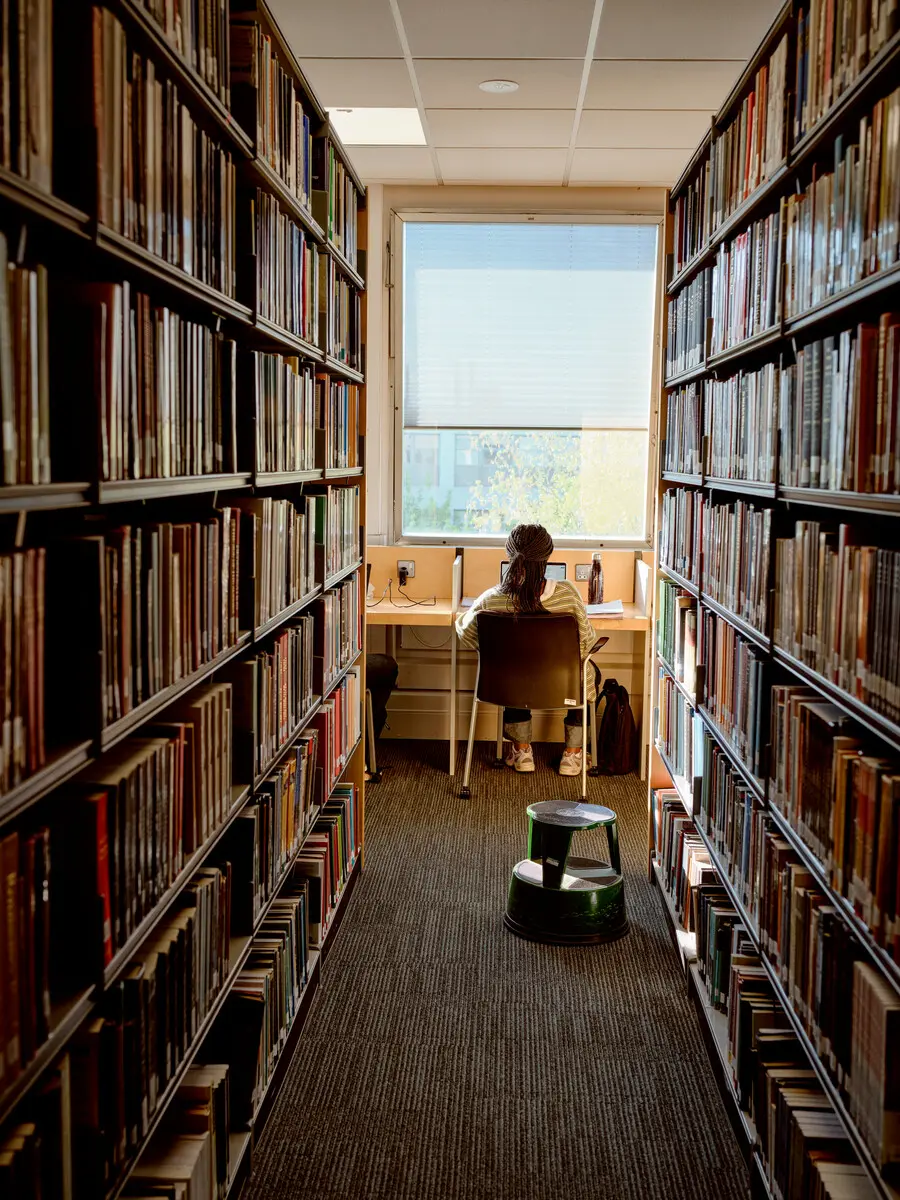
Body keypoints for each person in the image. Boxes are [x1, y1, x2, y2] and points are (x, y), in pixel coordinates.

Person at [455, 523, 603, 776]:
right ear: (548, 556)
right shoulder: (567, 594)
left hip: (510, 686)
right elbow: (586, 643)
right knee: (586, 670)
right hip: (562, 684)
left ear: (510, 555)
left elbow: (466, 634)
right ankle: (573, 755)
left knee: (514, 665)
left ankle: (522, 751)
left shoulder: (492, 598)